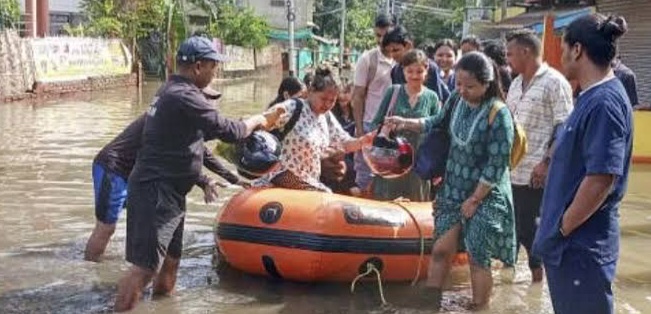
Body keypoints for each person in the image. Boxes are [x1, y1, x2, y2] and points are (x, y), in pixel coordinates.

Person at [113, 36, 282, 312]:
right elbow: (230, 131)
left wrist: (208, 179)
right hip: (156, 192)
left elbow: (193, 149)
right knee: (144, 269)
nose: (215, 73)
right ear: (198, 66)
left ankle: (163, 307)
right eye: (214, 67)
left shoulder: (172, 91)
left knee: (171, 262)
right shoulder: (183, 95)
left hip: (171, 193)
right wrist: (260, 119)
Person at [387, 51, 516, 311]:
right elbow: (437, 122)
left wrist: (475, 199)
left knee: (478, 258)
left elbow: (497, 163)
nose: (462, 90)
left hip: (486, 195)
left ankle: (479, 307)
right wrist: (407, 123)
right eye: (458, 84)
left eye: (470, 86)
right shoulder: (456, 99)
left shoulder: (498, 114)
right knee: (440, 250)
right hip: (452, 189)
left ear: (487, 84)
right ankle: (430, 303)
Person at [532, 14, 633, 314]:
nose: (561, 54)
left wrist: (562, 229)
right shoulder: (589, 96)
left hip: (581, 248)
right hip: (569, 247)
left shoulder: (605, 103)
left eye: (563, 47)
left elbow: (601, 179)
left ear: (577, 49)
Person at [83, 89, 246, 262]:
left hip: (136, 175)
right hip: (114, 169)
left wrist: (234, 179)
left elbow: (202, 154)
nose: (210, 105)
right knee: (106, 227)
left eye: (212, 100)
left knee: (146, 217)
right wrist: (204, 180)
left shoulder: (187, 121)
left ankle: (130, 261)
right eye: (206, 99)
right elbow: (177, 159)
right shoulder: (171, 118)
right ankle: (91, 272)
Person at [504, 29, 573, 283]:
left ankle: (537, 287)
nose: (507, 59)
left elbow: (564, 127)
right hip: (512, 173)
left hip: (538, 176)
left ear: (526, 52)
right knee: (513, 232)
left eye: (510, 54)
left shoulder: (555, 82)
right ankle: (509, 287)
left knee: (534, 236)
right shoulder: (514, 83)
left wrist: (546, 163)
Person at [256, 66, 374, 192]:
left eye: (332, 101)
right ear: (311, 90)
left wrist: (364, 141)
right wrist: (245, 128)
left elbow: (344, 143)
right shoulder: (294, 106)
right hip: (281, 174)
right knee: (325, 194)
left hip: (308, 180)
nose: (328, 105)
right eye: (323, 99)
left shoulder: (326, 117)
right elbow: (264, 120)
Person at [370, 50, 441, 202]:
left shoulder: (432, 97)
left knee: (416, 204)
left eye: (419, 71)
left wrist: (436, 165)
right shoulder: (393, 91)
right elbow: (376, 122)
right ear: (403, 71)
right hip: (393, 159)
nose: (414, 76)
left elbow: (438, 131)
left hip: (419, 162)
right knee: (388, 206)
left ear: (426, 70)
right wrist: (387, 128)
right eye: (410, 71)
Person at [352, 13, 395, 195]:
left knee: (390, 178)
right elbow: (358, 96)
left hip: (395, 128)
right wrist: (360, 130)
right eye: (378, 35)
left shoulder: (402, 61)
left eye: (385, 35)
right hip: (370, 126)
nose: (381, 40)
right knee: (365, 178)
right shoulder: (368, 59)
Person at [382, 26, 450, 103]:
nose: (392, 55)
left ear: (408, 45)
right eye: (389, 51)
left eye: (395, 50)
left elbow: (437, 102)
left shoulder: (428, 67)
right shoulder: (395, 71)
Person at [322, 81, 359, 195]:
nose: (343, 96)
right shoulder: (330, 113)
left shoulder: (356, 111)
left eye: (346, 92)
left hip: (350, 152)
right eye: (341, 94)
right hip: (333, 154)